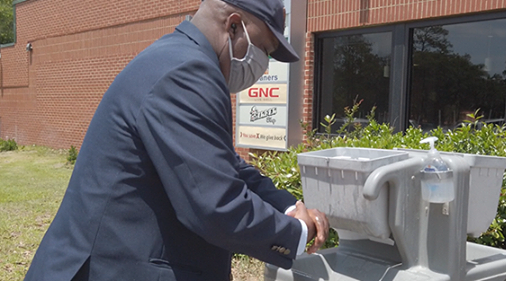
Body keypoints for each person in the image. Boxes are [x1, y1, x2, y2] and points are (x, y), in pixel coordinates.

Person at [24, 0, 329, 280]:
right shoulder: (187, 73)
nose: (263, 67)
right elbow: (216, 205)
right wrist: (296, 232)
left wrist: (289, 207)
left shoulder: (179, 58)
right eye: (264, 48)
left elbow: (226, 165)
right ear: (233, 25)